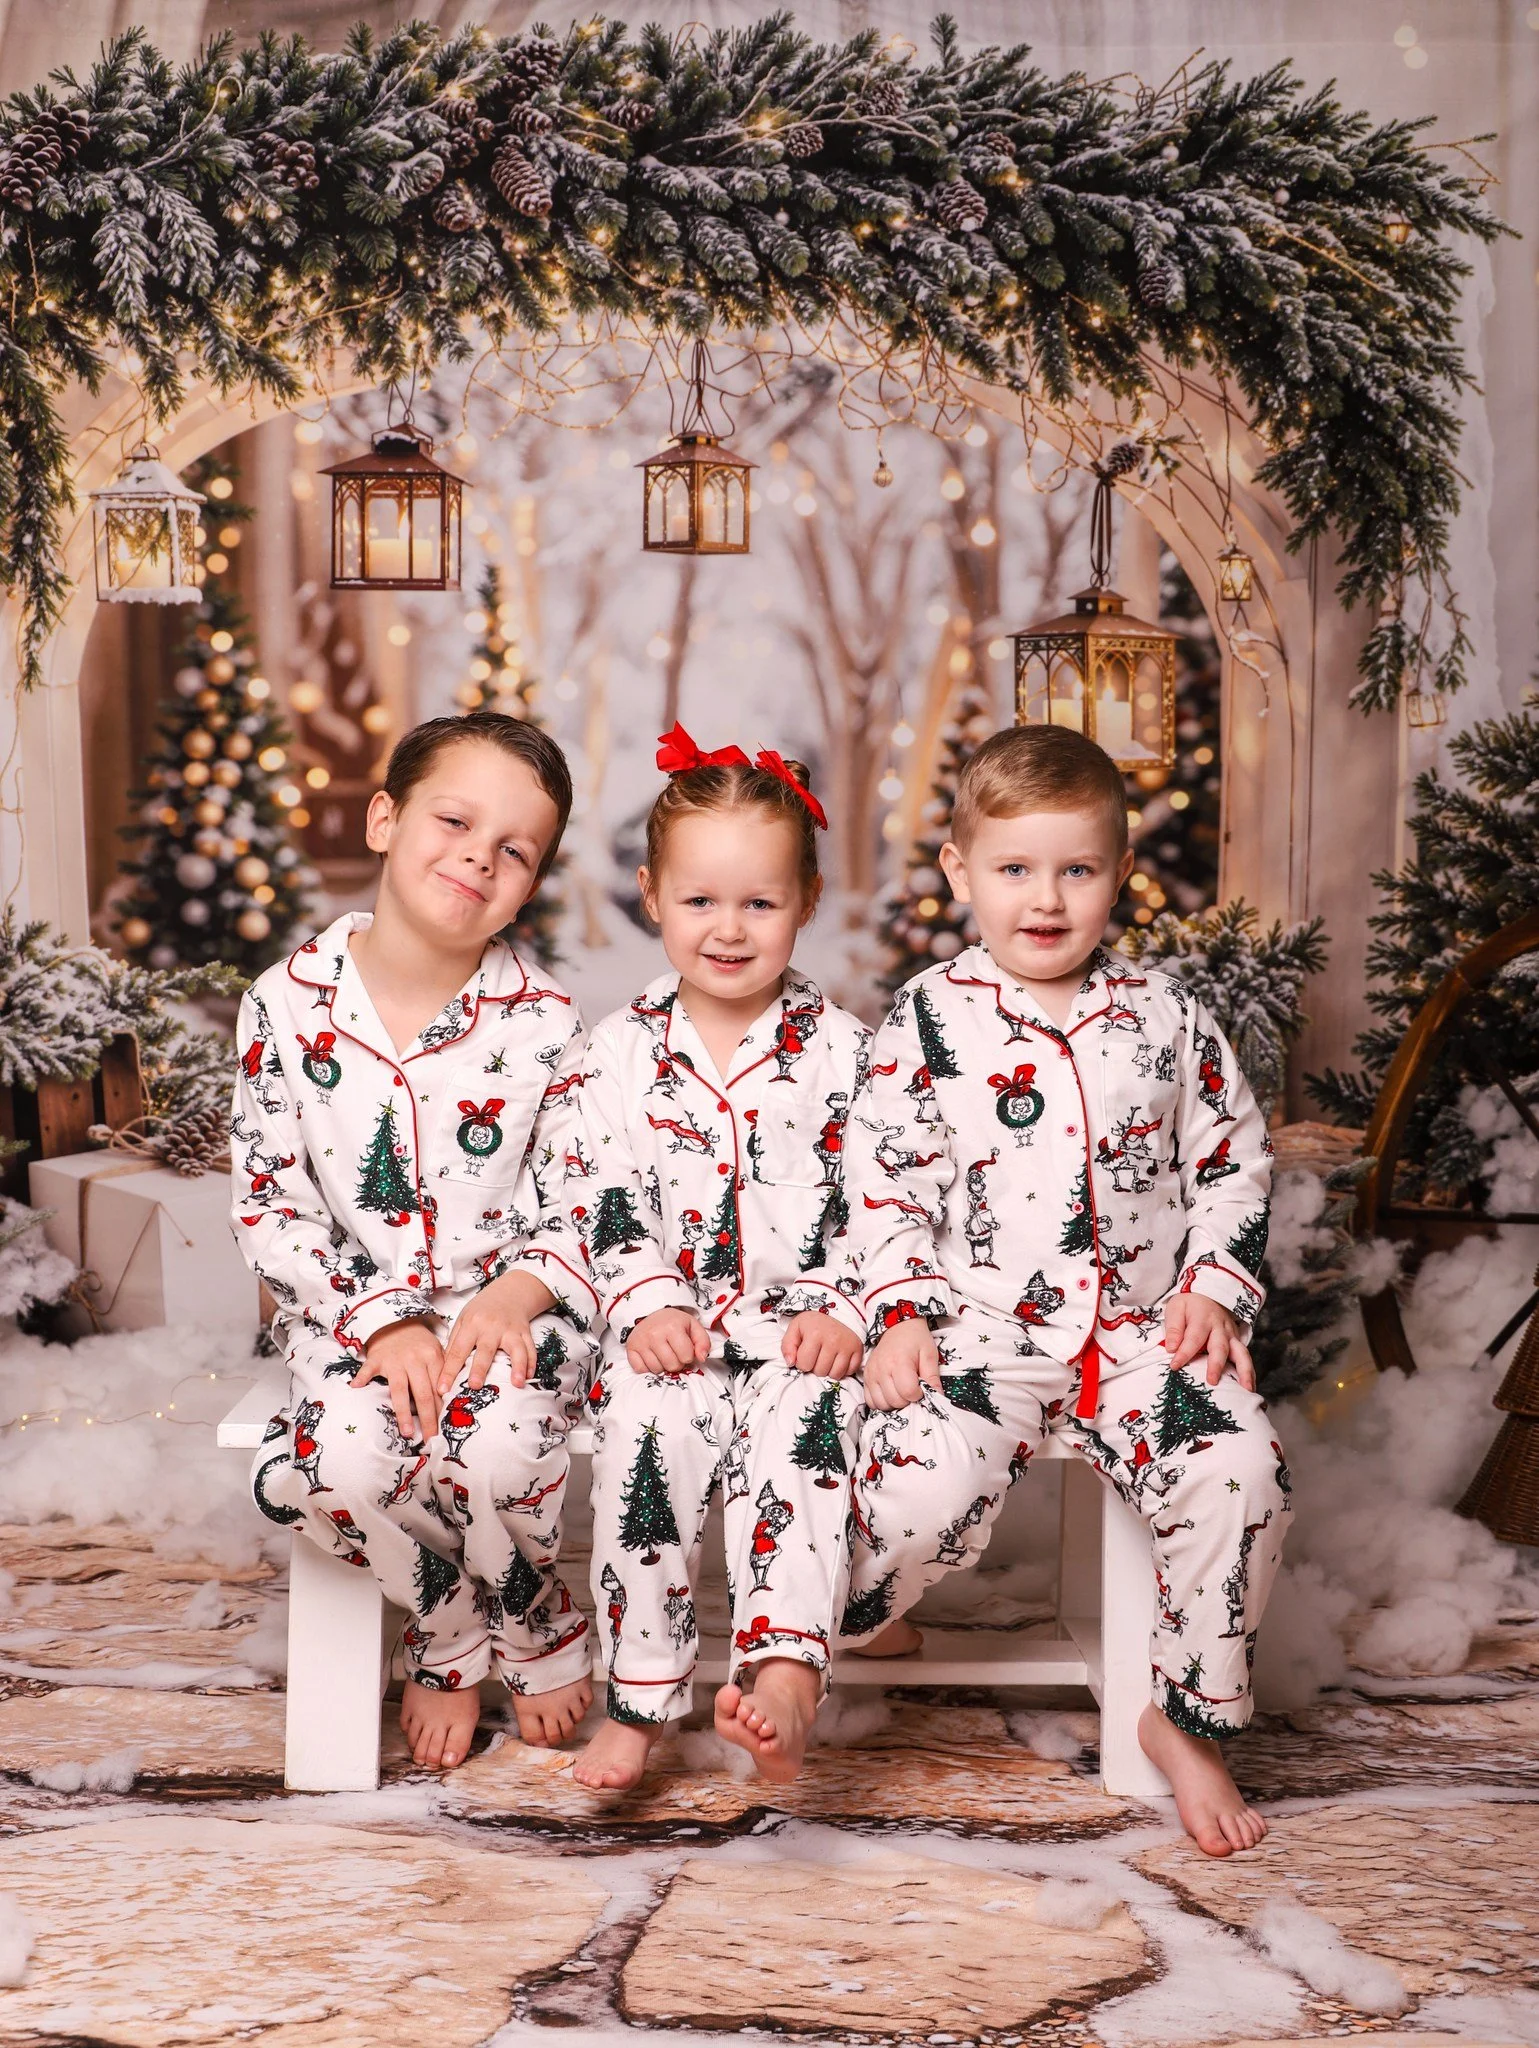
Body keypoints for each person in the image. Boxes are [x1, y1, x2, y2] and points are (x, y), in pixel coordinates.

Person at [839, 723, 1288, 1857]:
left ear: (1119, 874)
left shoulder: (1165, 1016)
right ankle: (872, 1617)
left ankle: (1184, 1712)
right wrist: (896, 1312)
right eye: (1016, 869)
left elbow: (1231, 1155)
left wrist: (1216, 1286)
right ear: (960, 872)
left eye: (1077, 869)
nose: (1047, 898)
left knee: (1242, 1467)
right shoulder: (930, 1020)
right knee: (909, 1495)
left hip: (1143, 1336)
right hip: (986, 1333)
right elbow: (885, 1181)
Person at [233, 711, 600, 1772]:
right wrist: (378, 1319)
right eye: (455, 818)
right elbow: (269, 1202)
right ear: (385, 818)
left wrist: (517, 1294)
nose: (480, 856)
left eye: (516, 848)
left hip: (502, 1319)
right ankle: (450, 1631)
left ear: (531, 882)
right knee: (332, 1462)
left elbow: (583, 1200)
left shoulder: (543, 1021)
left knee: (493, 1448)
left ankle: (535, 1626)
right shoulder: (285, 1006)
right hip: (349, 1321)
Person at [570, 724, 869, 1792]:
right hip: (671, 1336)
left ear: (807, 900)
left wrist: (840, 1302)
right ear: (652, 895)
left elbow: (881, 1199)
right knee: (645, 1450)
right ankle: (641, 1700)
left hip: (798, 1342)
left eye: (760, 902)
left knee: (808, 1443)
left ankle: (783, 1676)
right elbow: (595, 1190)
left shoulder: (846, 1055)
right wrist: (645, 1298)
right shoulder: (615, 1051)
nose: (729, 929)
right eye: (701, 901)